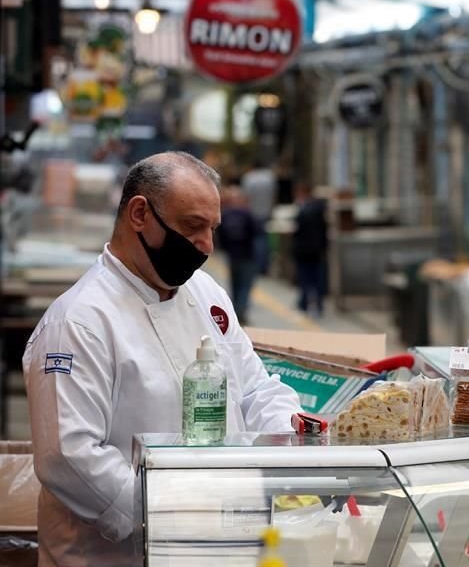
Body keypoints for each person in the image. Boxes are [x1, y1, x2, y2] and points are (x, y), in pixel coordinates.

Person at [22, 152, 302, 566]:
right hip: (121, 553)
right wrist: (167, 512)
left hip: (216, 540)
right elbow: (68, 456)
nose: (206, 245)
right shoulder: (79, 322)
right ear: (140, 213)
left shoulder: (206, 295)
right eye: (192, 226)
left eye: (212, 228)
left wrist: (291, 448)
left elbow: (255, 388)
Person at [216, 185, 259, 323]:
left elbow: (220, 236)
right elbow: (256, 233)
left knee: (234, 285)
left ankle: (234, 312)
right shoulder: (247, 214)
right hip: (247, 255)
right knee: (245, 285)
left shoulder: (225, 215)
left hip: (232, 256)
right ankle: (240, 312)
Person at [291, 183, 329, 316]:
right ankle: (318, 305)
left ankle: (303, 304)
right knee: (317, 278)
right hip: (317, 251)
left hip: (303, 251)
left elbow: (298, 231)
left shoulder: (304, 210)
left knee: (304, 278)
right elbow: (324, 231)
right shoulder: (320, 209)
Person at [241, 159, 276, 274]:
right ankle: (264, 265)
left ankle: (256, 264)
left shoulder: (249, 178)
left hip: (252, 213)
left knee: (255, 240)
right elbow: (274, 195)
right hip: (266, 212)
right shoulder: (269, 177)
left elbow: (245, 197)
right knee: (264, 239)